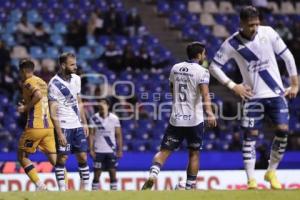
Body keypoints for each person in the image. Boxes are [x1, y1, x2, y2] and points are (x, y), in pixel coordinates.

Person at [209, 6, 298, 190]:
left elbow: (288, 57)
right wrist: (234, 86)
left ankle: (271, 171)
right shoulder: (231, 44)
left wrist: (295, 84)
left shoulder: (269, 33)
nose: (255, 28)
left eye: (257, 23)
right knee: (251, 136)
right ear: (241, 24)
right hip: (253, 97)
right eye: (251, 25)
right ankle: (251, 181)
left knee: (283, 131)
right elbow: (213, 67)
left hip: (276, 93)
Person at [142, 42, 217, 190]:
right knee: (194, 154)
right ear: (199, 55)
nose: (205, 56)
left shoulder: (175, 68)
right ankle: (189, 187)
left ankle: (153, 174)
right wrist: (209, 112)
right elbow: (205, 93)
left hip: (176, 119)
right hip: (194, 121)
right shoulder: (202, 71)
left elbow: (172, 89)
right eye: (204, 54)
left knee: (164, 152)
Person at [48, 52, 90, 191]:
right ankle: (62, 190)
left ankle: (85, 190)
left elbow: (79, 102)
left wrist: (84, 122)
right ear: (63, 65)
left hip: (77, 125)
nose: (75, 67)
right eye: (72, 64)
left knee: (83, 156)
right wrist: (59, 133)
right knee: (62, 159)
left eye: (75, 64)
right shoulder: (53, 84)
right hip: (64, 125)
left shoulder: (77, 79)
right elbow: (52, 111)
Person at [17, 58, 56, 191]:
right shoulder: (42, 82)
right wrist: (26, 101)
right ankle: (65, 189)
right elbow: (43, 97)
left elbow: (38, 95)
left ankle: (40, 186)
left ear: (23, 71)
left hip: (35, 125)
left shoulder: (28, 82)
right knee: (56, 162)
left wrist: (26, 107)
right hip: (49, 126)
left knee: (22, 156)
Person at [89, 98, 123, 190]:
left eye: (104, 103)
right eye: (100, 103)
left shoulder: (114, 118)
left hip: (110, 150)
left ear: (108, 106)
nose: (101, 104)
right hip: (98, 150)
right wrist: (91, 149)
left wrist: (119, 150)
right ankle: (93, 194)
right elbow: (91, 135)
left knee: (112, 173)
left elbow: (118, 135)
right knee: (97, 174)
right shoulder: (94, 118)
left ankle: (113, 194)